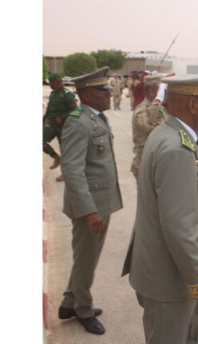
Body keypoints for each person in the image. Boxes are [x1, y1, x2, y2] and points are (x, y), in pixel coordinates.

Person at [122, 73, 198, 343]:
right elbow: (179, 227)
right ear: (192, 105)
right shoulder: (177, 147)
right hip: (170, 280)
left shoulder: (170, 133)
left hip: (170, 272)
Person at [58, 66, 123, 335]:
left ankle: (70, 301)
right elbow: (71, 170)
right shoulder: (79, 120)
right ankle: (82, 309)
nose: (109, 94)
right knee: (86, 259)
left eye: (108, 89)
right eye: (103, 90)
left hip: (100, 201)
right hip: (90, 206)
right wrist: (88, 211)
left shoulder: (96, 117)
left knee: (89, 257)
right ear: (86, 93)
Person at [130, 74, 167, 181]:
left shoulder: (160, 109)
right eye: (161, 91)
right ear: (151, 92)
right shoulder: (141, 111)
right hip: (145, 165)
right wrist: (158, 100)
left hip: (157, 161)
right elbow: (149, 123)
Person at [43, 72, 78, 182]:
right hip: (51, 124)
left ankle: (65, 174)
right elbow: (49, 109)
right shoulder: (53, 93)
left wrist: (62, 118)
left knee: (65, 150)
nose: (49, 85)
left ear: (57, 82)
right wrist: (43, 120)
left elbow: (76, 110)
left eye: (51, 83)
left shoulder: (67, 94)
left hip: (64, 126)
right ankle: (55, 157)